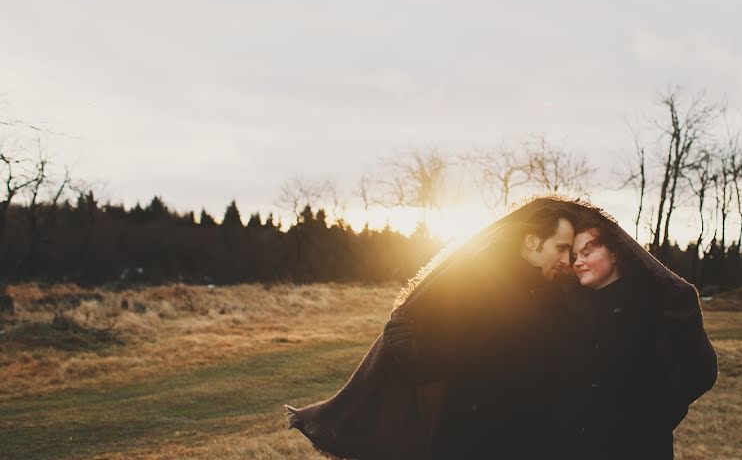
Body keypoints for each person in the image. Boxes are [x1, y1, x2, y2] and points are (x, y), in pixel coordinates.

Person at [286, 196, 577, 460]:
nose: (567, 260)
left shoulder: (557, 298)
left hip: (530, 441)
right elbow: (437, 363)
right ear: (531, 241)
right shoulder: (477, 283)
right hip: (469, 441)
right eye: (560, 248)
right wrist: (406, 350)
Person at [552, 204, 718, 459]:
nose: (578, 262)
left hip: (639, 446)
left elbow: (693, 376)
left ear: (616, 253)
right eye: (575, 255)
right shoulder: (568, 308)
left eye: (588, 251)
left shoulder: (653, 307)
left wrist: (650, 421)